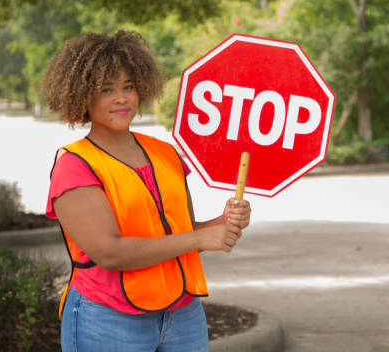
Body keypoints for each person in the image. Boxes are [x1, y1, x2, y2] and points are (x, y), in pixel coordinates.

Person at [42, 30, 251, 352]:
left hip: (183, 315)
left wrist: (220, 224)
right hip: (107, 317)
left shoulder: (165, 153)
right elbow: (110, 253)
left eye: (128, 86)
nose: (122, 98)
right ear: (82, 95)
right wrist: (198, 239)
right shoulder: (75, 164)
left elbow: (179, 233)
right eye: (106, 89)